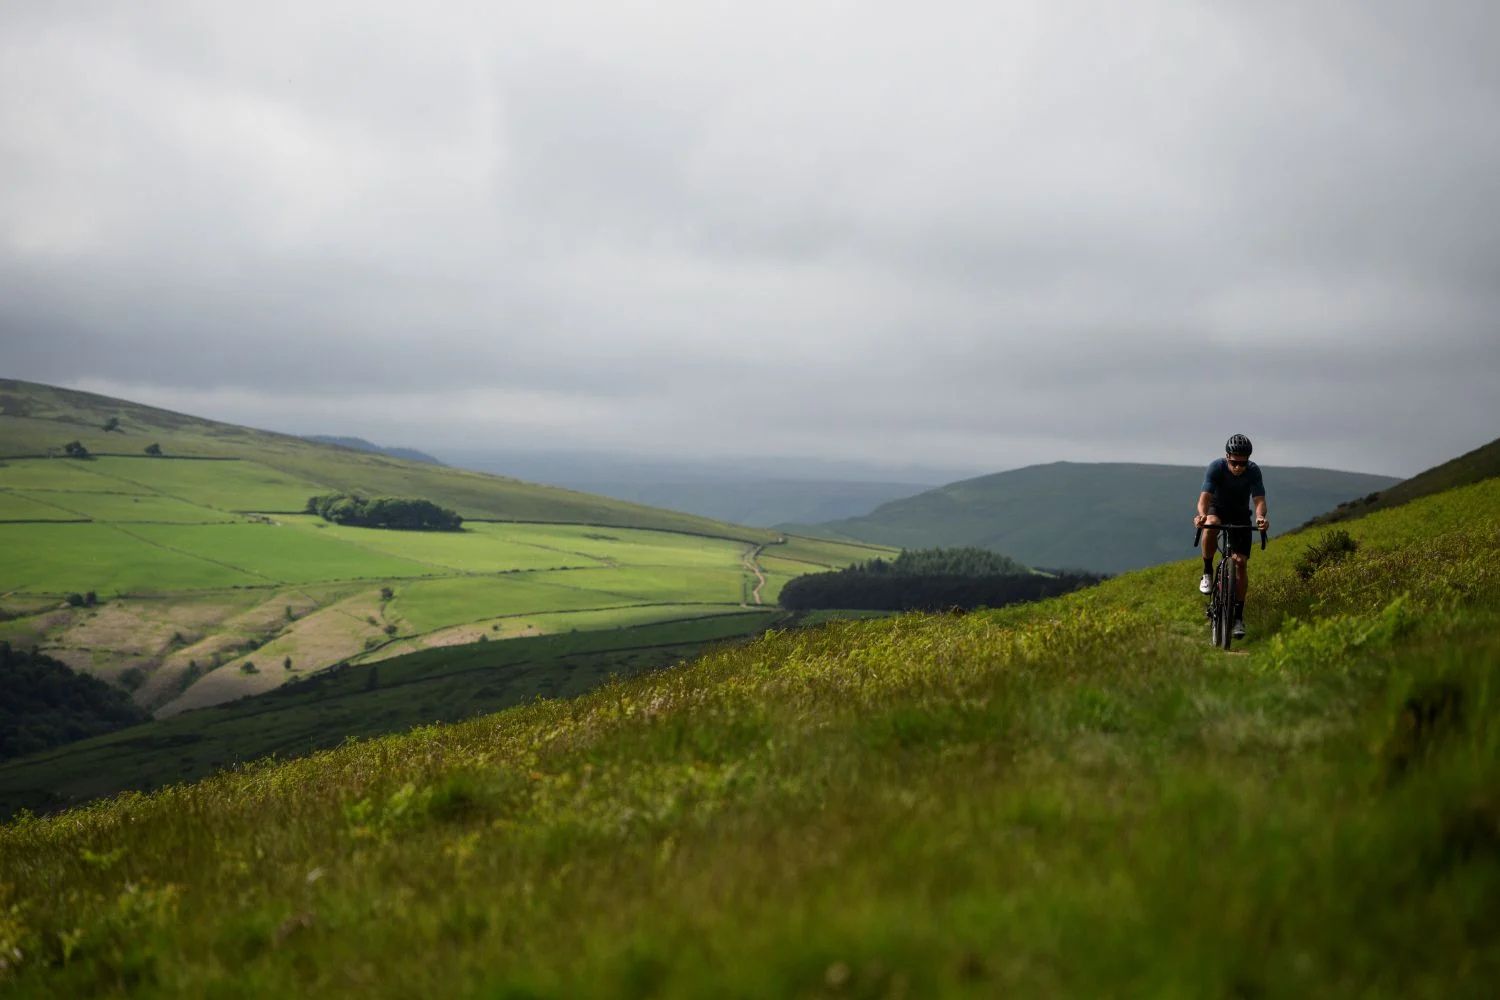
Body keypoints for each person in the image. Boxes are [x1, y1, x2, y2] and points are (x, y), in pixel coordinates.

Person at [1194, 434, 1268, 639]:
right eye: (1234, 462)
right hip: (1217, 509)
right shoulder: (1216, 468)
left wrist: (1261, 517)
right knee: (1211, 524)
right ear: (1227, 457)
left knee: (1241, 563)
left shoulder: (1253, 471)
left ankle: (1238, 618)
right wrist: (1201, 515)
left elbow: (1259, 500)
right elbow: (1204, 498)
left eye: (1242, 463)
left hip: (1240, 515)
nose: (1238, 467)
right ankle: (1207, 571)